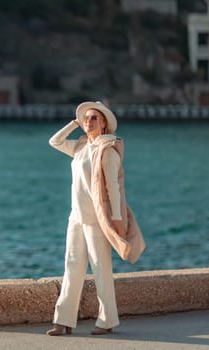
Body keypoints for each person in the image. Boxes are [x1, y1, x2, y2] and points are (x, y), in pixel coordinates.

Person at [46, 101, 145, 336]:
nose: (88, 122)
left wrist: (118, 219)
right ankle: (64, 320)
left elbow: (114, 188)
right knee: (71, 267)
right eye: (86, 118)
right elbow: (54, 141)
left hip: (96, 220)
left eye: (93, 119)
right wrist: (73, 123)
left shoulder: (107, 150)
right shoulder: (80, 146)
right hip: (76, 218)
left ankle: (107, 319)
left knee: (101, 268)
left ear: (104, 125)